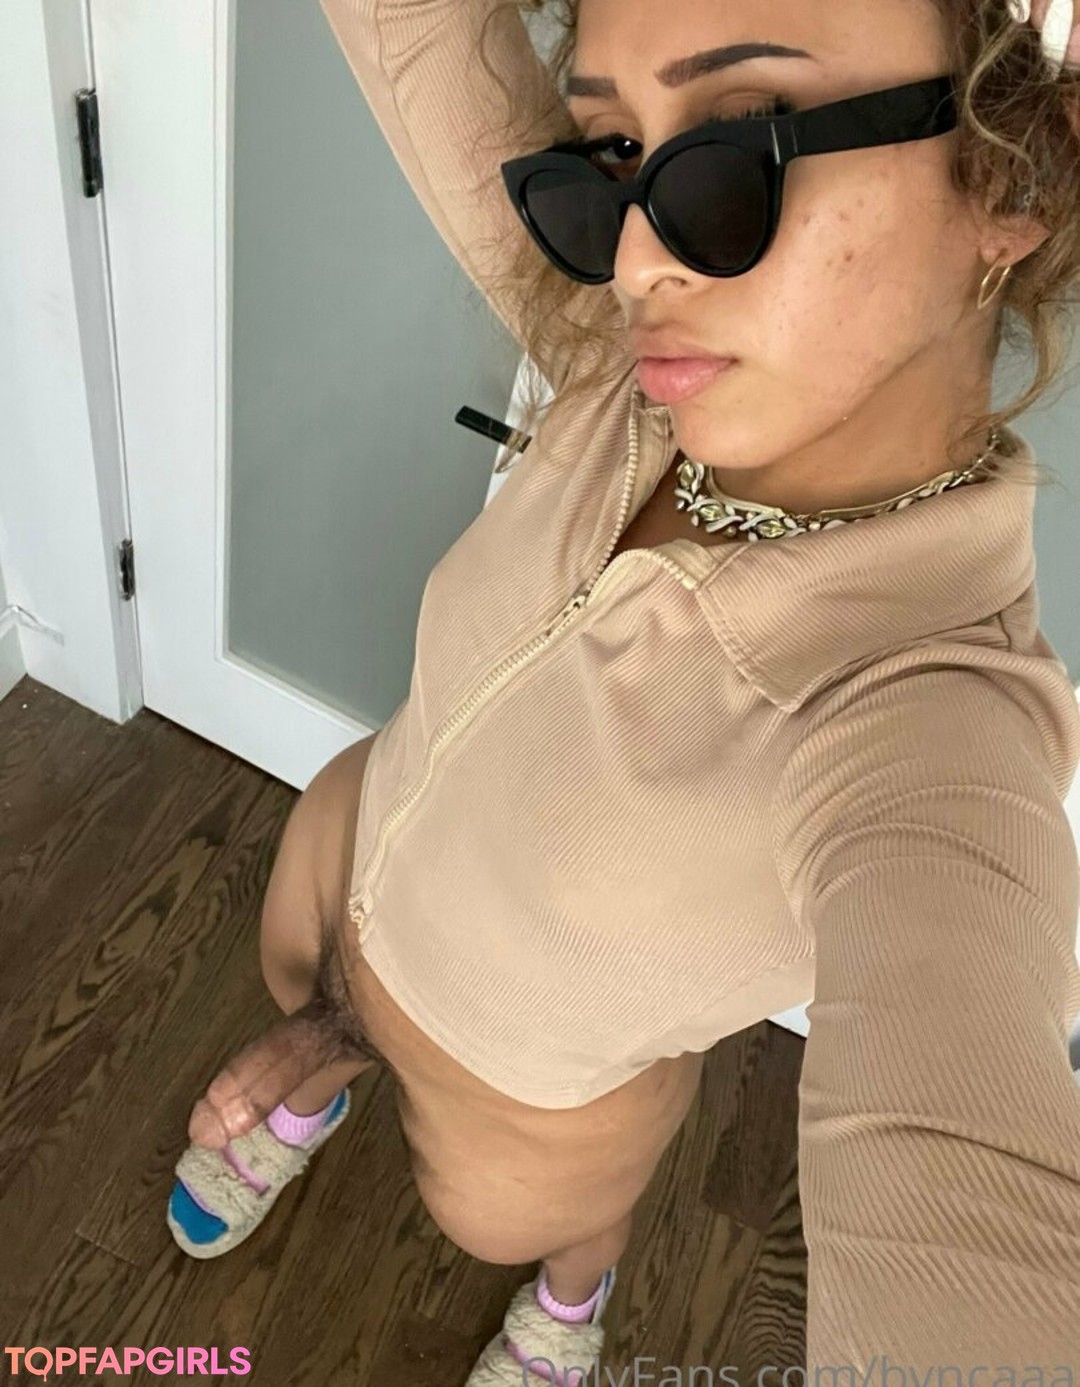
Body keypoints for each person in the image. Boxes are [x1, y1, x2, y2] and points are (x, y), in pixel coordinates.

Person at [167, 0, 1080, 1379]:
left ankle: (575, 1297)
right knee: (302, 994)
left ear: (1010, 177)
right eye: (611, 155)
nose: (639, 259)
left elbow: (963, 1210)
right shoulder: (620, 379)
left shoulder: (932, 721)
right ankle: (324, 1070)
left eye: (739, 143)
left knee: (540, 1229)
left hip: (525, 1124)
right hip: (340, 874)